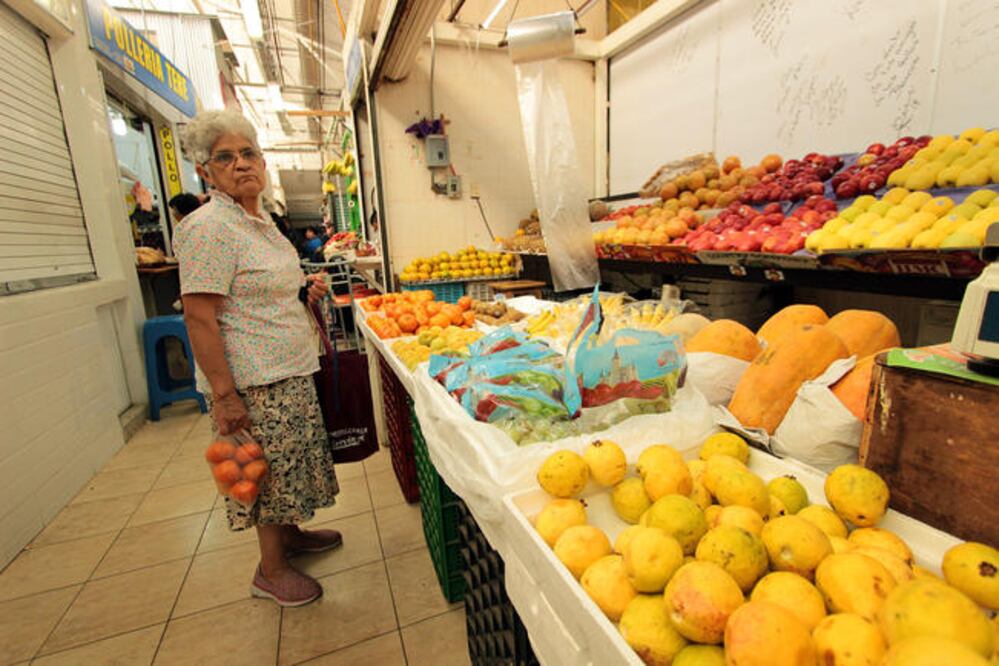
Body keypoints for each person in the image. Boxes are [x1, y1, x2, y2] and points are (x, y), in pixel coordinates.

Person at [174, 109, 339, 607]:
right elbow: (200, 317)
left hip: (286, 369)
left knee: (288, 466)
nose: (241, 164)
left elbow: (255, 290)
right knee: (263, 473)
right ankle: (270, 570)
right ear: (206, 172)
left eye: (248, 153)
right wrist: (224, 396)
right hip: (252, 380)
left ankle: (289, 535)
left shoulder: (257, 221)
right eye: (225, 157)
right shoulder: (209, 229)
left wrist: (300, 292)